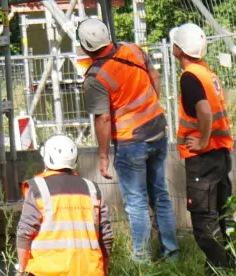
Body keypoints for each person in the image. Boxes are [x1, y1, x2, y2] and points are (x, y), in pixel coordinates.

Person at [77, 17, 179, 263]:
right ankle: (172, 253)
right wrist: (152, 105)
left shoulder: (95, 77)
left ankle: (142, 258)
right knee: (160, 195)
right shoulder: (133, 49)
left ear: (86, 45)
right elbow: (154, 77)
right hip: (157, 129)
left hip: (131, 142)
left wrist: (103, 157)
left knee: (136, 202)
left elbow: (102, 119)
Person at [171, 22, 236, 273]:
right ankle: (227, 265)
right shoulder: (206, 72)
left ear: (178, 49)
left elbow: (204, 111)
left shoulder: (190, 77)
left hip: (204, 157)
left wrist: (202, 140)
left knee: (204, 219)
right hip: (220, 154)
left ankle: (219, 269)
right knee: (221, 213)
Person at [15, 133, 114, 276]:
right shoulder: (92, 189)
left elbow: (24, 233)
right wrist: (103, 270)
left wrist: (22, 270)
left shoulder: (38, 189)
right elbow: (106, 237)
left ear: (46, 157)